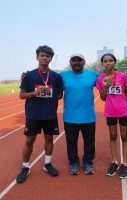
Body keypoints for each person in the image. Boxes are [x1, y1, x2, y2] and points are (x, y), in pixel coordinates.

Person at [16, 45, 63, 183]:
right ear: (37, 57)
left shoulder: (56, 77)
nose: (45, 58)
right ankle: (25, 167)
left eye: (47, 56)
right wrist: (34, 93)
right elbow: (21, 95)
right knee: (29, 140)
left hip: (49, 114)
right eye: (42, 55)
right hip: (33, 115)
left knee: (49, 139)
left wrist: (50, 93)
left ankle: (47, 164)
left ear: (51, 59)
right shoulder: (29, 75)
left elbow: (60, 94)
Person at [96, 53, 127, 179]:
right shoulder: (100, 79)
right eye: (105, 61)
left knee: (124, 136)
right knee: (113, 136)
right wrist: (105, 86)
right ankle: (114, 161)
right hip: (110, 111)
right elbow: (103, 98)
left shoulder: (122, 76)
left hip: (124, 111)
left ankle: (125, 164)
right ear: (102, 64)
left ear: (115, 62)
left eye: (110, 60)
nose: (108, 63)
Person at [60, 54, 99, 175]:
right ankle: (74, 162)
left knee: (89, 142)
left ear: (84, 62)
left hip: (88, 116)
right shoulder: (62, 76)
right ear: (70, 62)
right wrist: (26, 77)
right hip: (70, 117)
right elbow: (46, 80)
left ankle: (87, 162)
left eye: (79, 60)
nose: (76, 62)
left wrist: (124, 76)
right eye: (74, 60)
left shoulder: (93, 75)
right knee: (71, 142)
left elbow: (109, 78)